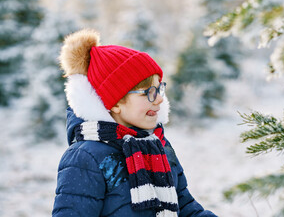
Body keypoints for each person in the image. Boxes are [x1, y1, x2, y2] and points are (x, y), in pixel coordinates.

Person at [52, 29, 217, 217]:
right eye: (148, 92)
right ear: (114, 102)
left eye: (159, 89)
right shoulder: (86, 157)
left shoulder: (158, 146)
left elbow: (186, 208)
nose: (159, 100)